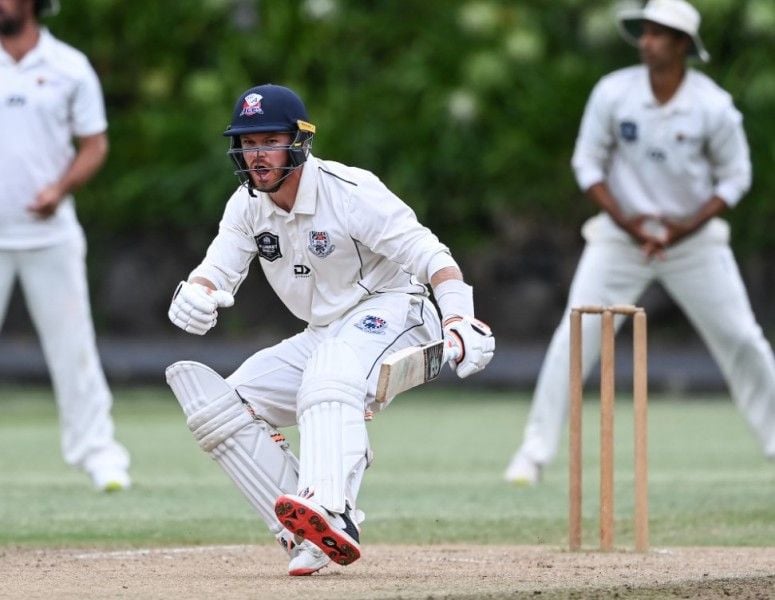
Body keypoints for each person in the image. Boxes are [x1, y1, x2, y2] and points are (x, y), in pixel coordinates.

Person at [165, 83, 495, 576]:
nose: (257, 155)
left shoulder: (350, 192)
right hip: (326, 332)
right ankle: (309, 531)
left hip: (397, 312)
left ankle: (332, 506)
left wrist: (458, 318)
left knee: (330, 370)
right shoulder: (246, 206)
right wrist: (195, 292)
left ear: (299, 142)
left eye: (269, 141)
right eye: (248, 143)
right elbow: (216, 270)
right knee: (222, 407)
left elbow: (431, 256)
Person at [504, 0, 775, 485]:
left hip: (692, 241)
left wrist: (683, 229)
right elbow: (587, 164)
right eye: (645, 32)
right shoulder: (613, 92)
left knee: (742, 338)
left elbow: (736, 177)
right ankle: (533, 455)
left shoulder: (713, 105)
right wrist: (631, 226)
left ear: (683, 44)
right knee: (575, 335)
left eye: (658, 34)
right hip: (620, 238)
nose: (646, 42)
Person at [0, 0, 130, 491]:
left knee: (73, 348)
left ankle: (99, 454)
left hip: (50, 235)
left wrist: (59, 189)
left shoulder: (69, 66)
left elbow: (95, 144)